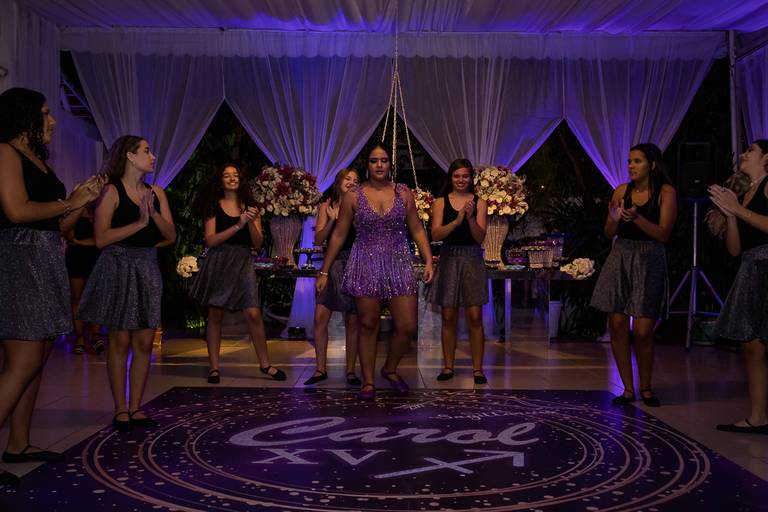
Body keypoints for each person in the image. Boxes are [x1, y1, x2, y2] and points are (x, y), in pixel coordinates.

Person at [0, 87, 102, 487]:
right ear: (23, 116)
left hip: (44, 260)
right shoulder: (5, 153)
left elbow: (58, 226)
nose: (53, 120)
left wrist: (81, 202)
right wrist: (69, 202)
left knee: (38, 358)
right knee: (22, 361)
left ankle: (19, 444)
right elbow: (16, 211)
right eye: (45, 113)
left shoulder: (39, 161)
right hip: (18, 261)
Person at [316, 145, 434, 401]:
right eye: (373, 161)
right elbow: (339, 235)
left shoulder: (403, 192)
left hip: (398, 262)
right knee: (367, 324)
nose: (379, 165)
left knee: (407, 326)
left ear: (390, 164)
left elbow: (416, 228)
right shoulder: (354, 196)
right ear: (367, 165)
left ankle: (389, 369)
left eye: (383, 160)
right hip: (365, 262)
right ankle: (368, 381)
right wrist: (324, 271)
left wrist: (428, 260)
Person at [77, 135, 176, 432]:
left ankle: (136, 407)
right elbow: (101, 239)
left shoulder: (156, 192)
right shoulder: (111, 191)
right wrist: (139, 223)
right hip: (118, 266)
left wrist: (153, 213)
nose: (153, 156)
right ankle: (120, 408)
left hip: (147, 267)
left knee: (144, 341)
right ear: (130, 156)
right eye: (147, 150)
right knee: (119, 341)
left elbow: (171, 236)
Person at [590, 143, 678, 407]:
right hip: (621, 256)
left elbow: (664, 234)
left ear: (652, 164)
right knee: (617, 324)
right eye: (629, 161)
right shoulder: (621, 190)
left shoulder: (666, 192)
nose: (631, 165)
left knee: (642, 330)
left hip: (650, 259)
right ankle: (628, 389)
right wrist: (614, 219)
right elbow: (608, 233)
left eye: (637, 161)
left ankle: (646, 387)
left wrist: (637, 218)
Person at [189, 164, 285, 384]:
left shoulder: (251, 207)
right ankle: (214, 367)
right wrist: (238, 225)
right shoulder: (213, 205)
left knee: (253, 313)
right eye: (227, 175)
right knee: (215, 314)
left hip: (243, 262)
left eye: (235, 175)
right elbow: (210, 240)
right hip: (219, 261)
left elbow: (258, 244)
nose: (232, 178)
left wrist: (249, 222)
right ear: (221, 180)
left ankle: (265, 364)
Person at [708, 139, 768, 434]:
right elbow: (734, 249)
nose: (744, 154)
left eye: (751, 150)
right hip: (750, 268)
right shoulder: (743, 194)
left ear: (767, 158)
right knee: (751, 346)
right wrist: (731, 215)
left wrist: (737, 210)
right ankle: (758, 417)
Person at [427, 158, 489, 384]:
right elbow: (436, 235)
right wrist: (457, 220)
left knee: (475, 316)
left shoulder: (480, 202)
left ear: (471, 178)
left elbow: (480, 237)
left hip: (472, 258)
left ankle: (478, 369)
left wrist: (470, 218)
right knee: (448, 316)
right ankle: (448, 366)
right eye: (457, 176)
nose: (461, 180)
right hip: (449, 258)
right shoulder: (440, 202)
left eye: (465, 176)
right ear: (451, 178)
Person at [306, 168, 361, 386]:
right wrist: (331, 220)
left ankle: (350, 371)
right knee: (320, 316)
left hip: (355, 263)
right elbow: (318, 240)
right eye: (348, 179)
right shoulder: (327, 205)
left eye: (356, 180)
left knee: (353, 320)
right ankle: (320, 369)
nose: (352, 182)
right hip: (331, 263)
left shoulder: (361, 205)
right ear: (339, 181)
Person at [65, 206, 103, 355]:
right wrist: (78, 210)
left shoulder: (101, 209)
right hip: (76, 257)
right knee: (77, 299)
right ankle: (80, 337)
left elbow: (101, 239)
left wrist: (82, 242)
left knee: (95, 298)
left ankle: (95, 335)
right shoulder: (74, 210)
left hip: (95, 257)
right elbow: (70, 236)